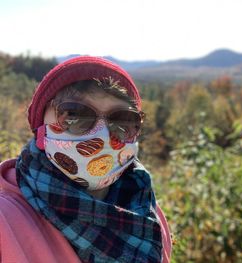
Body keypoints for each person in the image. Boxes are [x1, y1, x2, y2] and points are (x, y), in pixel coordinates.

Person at [0, 56, 172, 263]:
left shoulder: (146, 211)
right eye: (74, 114)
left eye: (123, 120)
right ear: (39, 127)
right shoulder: (6, 222)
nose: (103, 136)